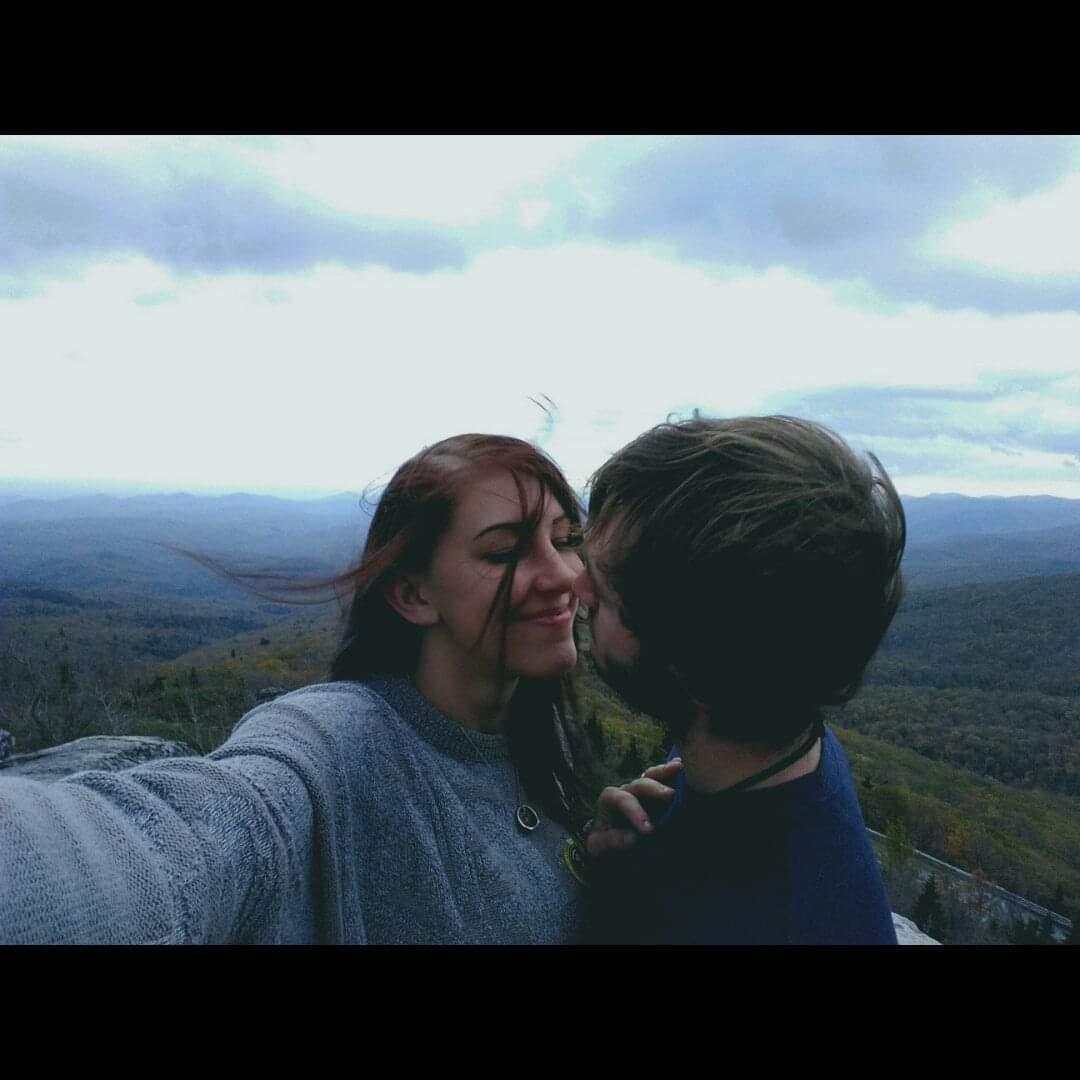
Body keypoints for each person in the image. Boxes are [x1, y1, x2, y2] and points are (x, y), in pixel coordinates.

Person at [0, 433, 663, 945]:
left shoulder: (537, 744)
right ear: (412, 593)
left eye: (566, 539)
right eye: (504, 553)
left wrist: (593, 862)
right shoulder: (333, 742)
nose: (565, 577)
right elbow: (183, 840)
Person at [576, 415, 904, 945]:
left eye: (604, 591)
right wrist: (623, 862)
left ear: (694, 663)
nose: (575, 587)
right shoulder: (794, 755)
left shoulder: (763, 921)